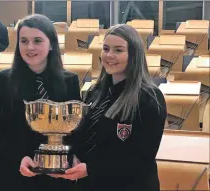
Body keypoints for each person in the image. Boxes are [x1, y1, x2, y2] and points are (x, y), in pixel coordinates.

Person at [50, 24, 167, 191]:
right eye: (106, 49)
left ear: (134, 55)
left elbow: (141, 159)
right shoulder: (94, 92)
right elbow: (82, 136)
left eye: (118, 50)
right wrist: (71, 156)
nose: (109, 55)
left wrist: (91, 169)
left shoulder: (150, 98)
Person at [0, 14, 81, 190]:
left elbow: (76, 131)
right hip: (12, 175)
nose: (30, 47)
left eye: (37, 40)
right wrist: (17, 158)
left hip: (56, 178)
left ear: (51, 44)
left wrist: (72, 157)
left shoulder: (70, 81)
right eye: (24, 41)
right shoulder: (1, 81)